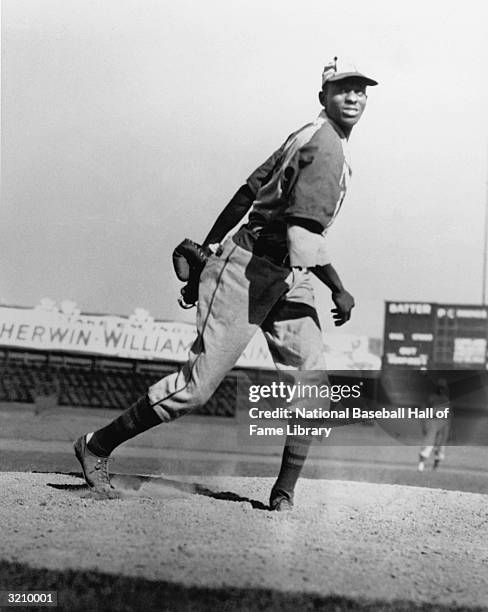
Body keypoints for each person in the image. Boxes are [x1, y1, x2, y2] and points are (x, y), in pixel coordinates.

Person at [74, 57, 378, 510]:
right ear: (324, 97)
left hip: (288, 275)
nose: (352, 96)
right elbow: (299, 231)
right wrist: (338, 287)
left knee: (311, 388)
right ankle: (96, 445)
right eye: (342, 88)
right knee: (196, 387)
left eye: (359, 88)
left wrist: (210, 243)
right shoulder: (326, 147)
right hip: (251, 268)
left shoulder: (307, 136)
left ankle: (283, 493)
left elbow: (248, 189)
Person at [417, 378, 451, 471]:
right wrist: (424, 423)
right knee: (428, 443)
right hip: (432, 421)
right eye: (440, 387)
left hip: (443, 423)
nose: (441, 389)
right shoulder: (431, 398)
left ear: (445, 389)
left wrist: (448, 428)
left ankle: (435, 468)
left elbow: (448, 415)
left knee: (440, 445)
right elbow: (423, 410)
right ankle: (421, 464)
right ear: (437, 388)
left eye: (443, 388)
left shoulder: (446, 399)